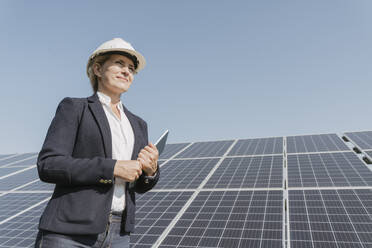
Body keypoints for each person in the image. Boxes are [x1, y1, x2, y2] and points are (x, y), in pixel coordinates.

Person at [34, 38, 160, 248]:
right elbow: (49, 165)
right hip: (69, 233)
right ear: (98, 69)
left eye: (131, 68)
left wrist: (151, 170)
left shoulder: (139, 124)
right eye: (119, 63)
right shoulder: (75, 108)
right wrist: (113, 168)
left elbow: (140, 185)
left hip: (120, 234)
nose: (127, 71)